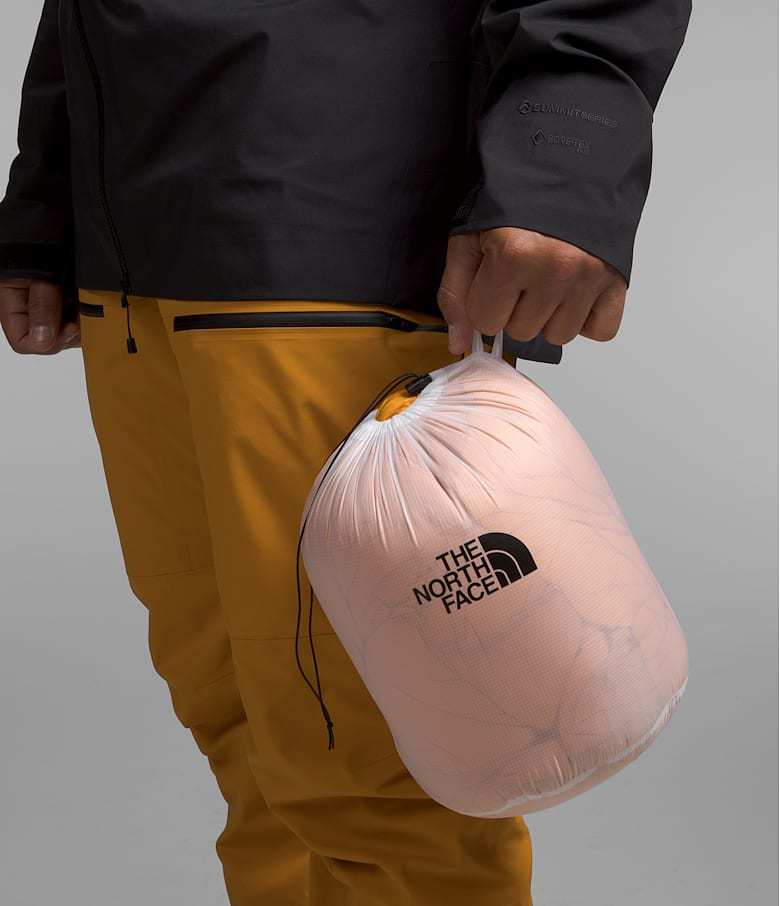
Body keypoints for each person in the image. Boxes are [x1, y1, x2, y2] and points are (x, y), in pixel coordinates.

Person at [0, 2, 691, 903]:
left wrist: (564, 159)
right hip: (134, 245)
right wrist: (48, 198)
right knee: (251, 744)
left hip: (331, 212)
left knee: (371, 779)